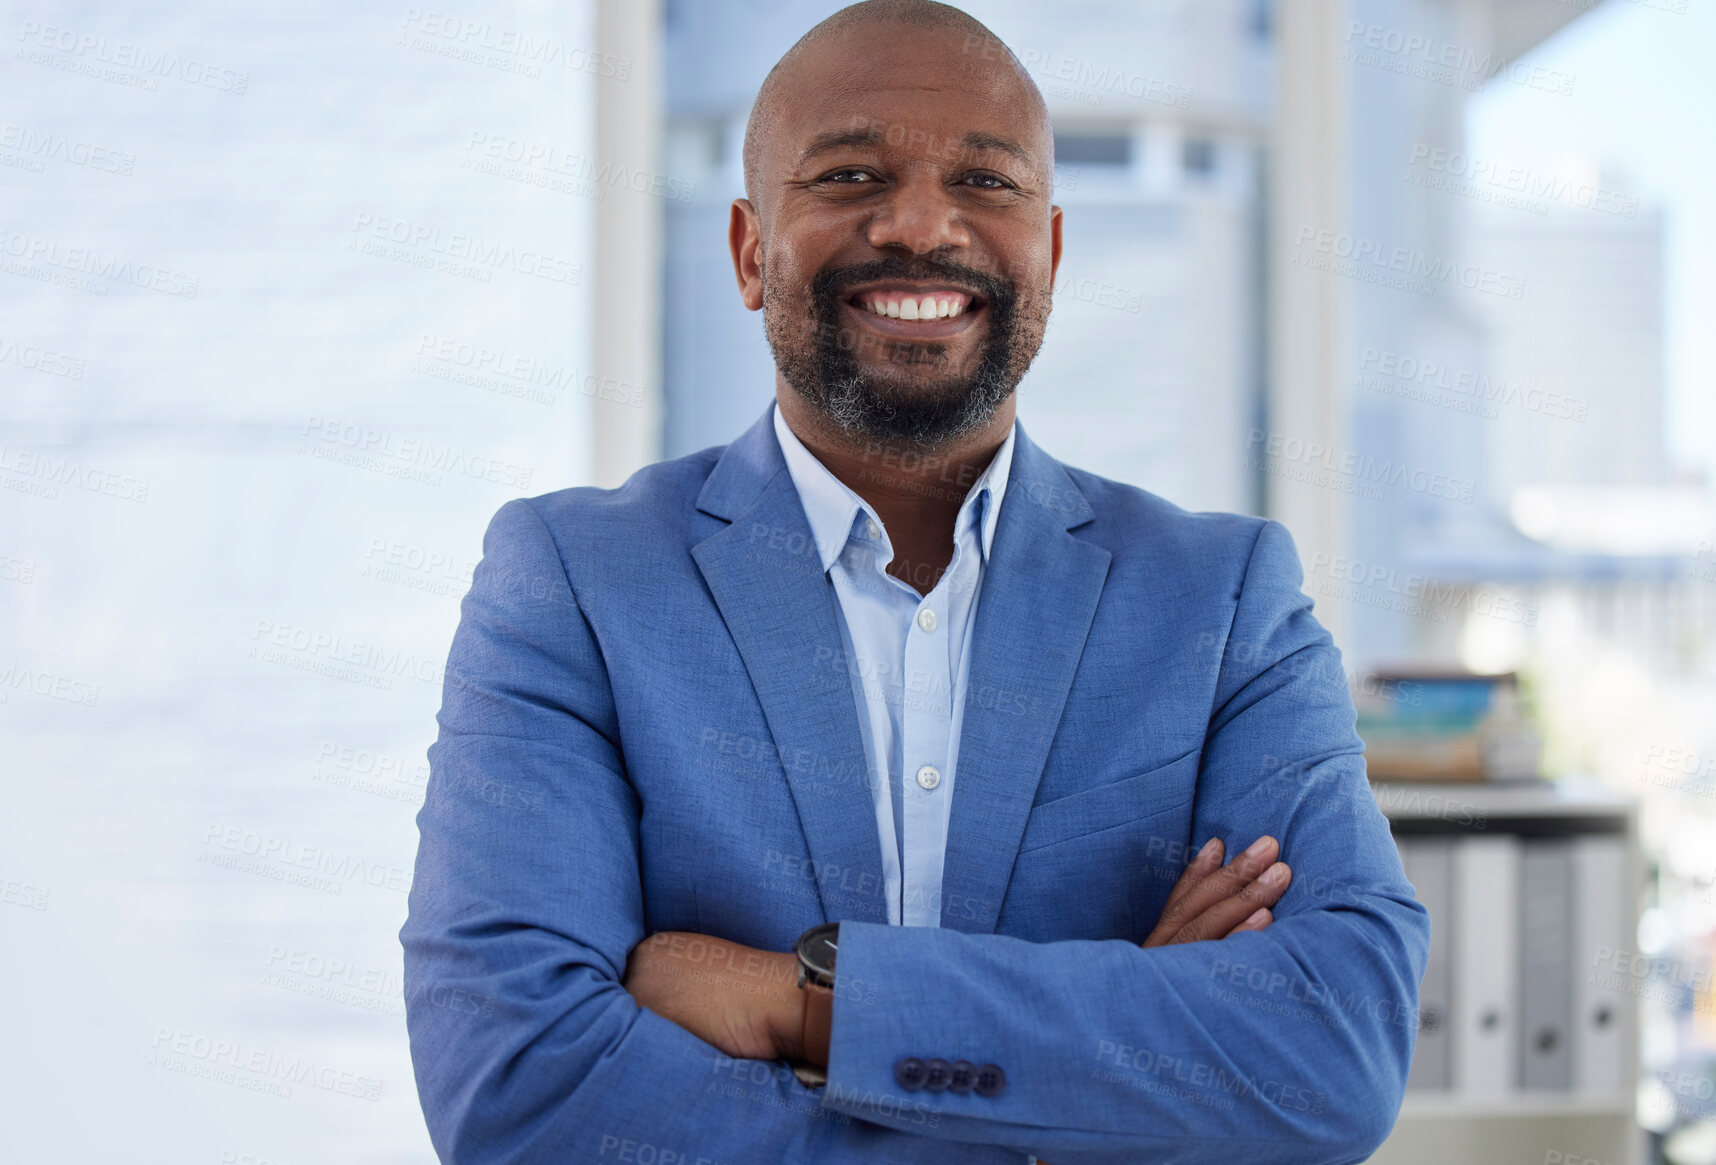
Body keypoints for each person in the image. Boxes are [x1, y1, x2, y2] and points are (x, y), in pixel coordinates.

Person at [399, 2, 1429, 1162]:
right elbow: (521, 1090)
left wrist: (809, 1001)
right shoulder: (573, 584)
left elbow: (1332, 1050)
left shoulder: (1224, 600)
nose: (920, 225)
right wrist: (1092, 1081)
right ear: (749, 251)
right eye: (849, 175)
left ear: (1050, 250)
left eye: (985, 184)